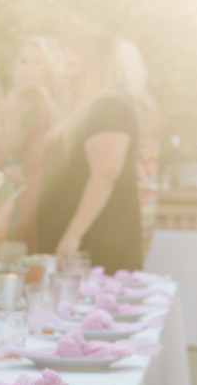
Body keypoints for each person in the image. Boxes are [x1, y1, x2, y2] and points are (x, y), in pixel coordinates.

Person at [36, 32, 142, 273]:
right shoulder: (90, 108)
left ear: (97, 68)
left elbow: (105, 174)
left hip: (96, 245)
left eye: (72, 65)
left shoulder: (110, 107)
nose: (64, 73)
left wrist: (73, 236)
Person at [2, 36, 64, 250]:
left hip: (52, 186)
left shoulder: (61, 97)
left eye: (37, 62)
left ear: (50, 67)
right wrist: (9, 113)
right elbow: (9, 148)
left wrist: (45, 98)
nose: (29, 68)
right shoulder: (17, 100)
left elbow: (63, 136)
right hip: (24, 186)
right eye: (24, 62)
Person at [115, 40, 159, 256]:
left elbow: (144, 155)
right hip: (144, 193)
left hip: (135, 192)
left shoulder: (138, 105)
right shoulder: (145, 104)